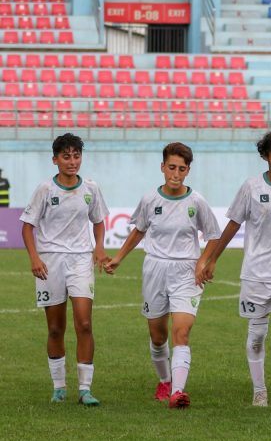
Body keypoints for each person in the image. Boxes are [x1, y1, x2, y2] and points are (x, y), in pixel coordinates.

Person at [199, 130, 271, 412]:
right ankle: (260, 392)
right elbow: (234, 224)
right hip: (256, 273)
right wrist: (212, 258)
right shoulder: (251, 187)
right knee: (257, 335)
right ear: (265, 156)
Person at [105, 143, 222, 410]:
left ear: (188, 171)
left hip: (186, 272)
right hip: (155, 269)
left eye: (182, 169)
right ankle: (165, 380)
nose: (176, 173)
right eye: (172, 167)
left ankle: (178, 392)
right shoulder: (150, 199)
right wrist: (119, 258)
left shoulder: (197, 202)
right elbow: (139, 231)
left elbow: (213, 235)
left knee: (182, 331)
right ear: (162, 167)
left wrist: (203, 261)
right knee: (158, 336)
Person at [20, 134, 109, 406]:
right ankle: (59, 386)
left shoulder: (91, 188)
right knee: (56, 328)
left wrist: (100, 247)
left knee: (84, 323)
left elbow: (99, 221)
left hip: (80, 260)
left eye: (76, 155)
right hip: (51, 261)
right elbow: (27, 226)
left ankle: (85, 389)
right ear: (55, 159)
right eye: (66, 156)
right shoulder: (46, 190)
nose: (72, 161)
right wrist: (35, 258)